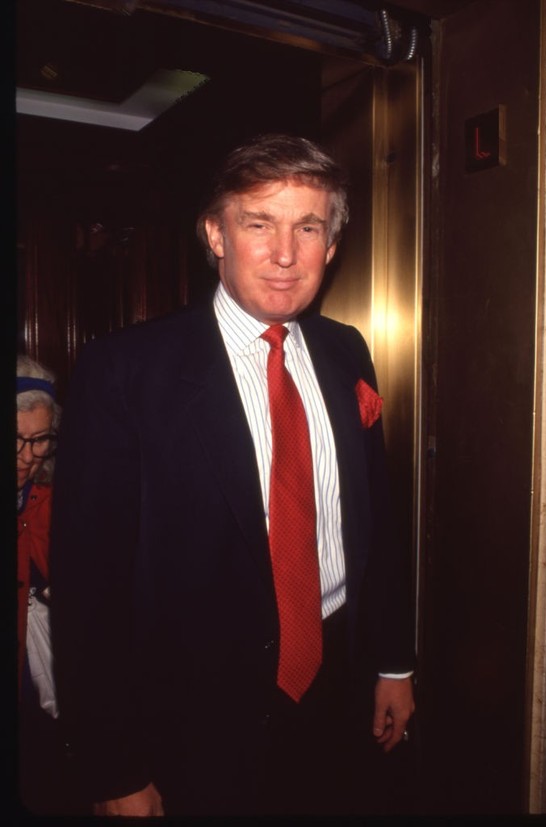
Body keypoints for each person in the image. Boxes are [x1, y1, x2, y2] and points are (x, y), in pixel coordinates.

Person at [50, 133, 416, 817]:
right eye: (259, 224)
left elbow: (378, 523)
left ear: (331, 246)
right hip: (193, 715)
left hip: (337, 686)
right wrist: (114, 765)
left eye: (307, 227)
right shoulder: (124, 372)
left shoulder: (347, 351)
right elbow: (88, 591)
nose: (285, 254)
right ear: (215, 234)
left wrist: (394, 662)